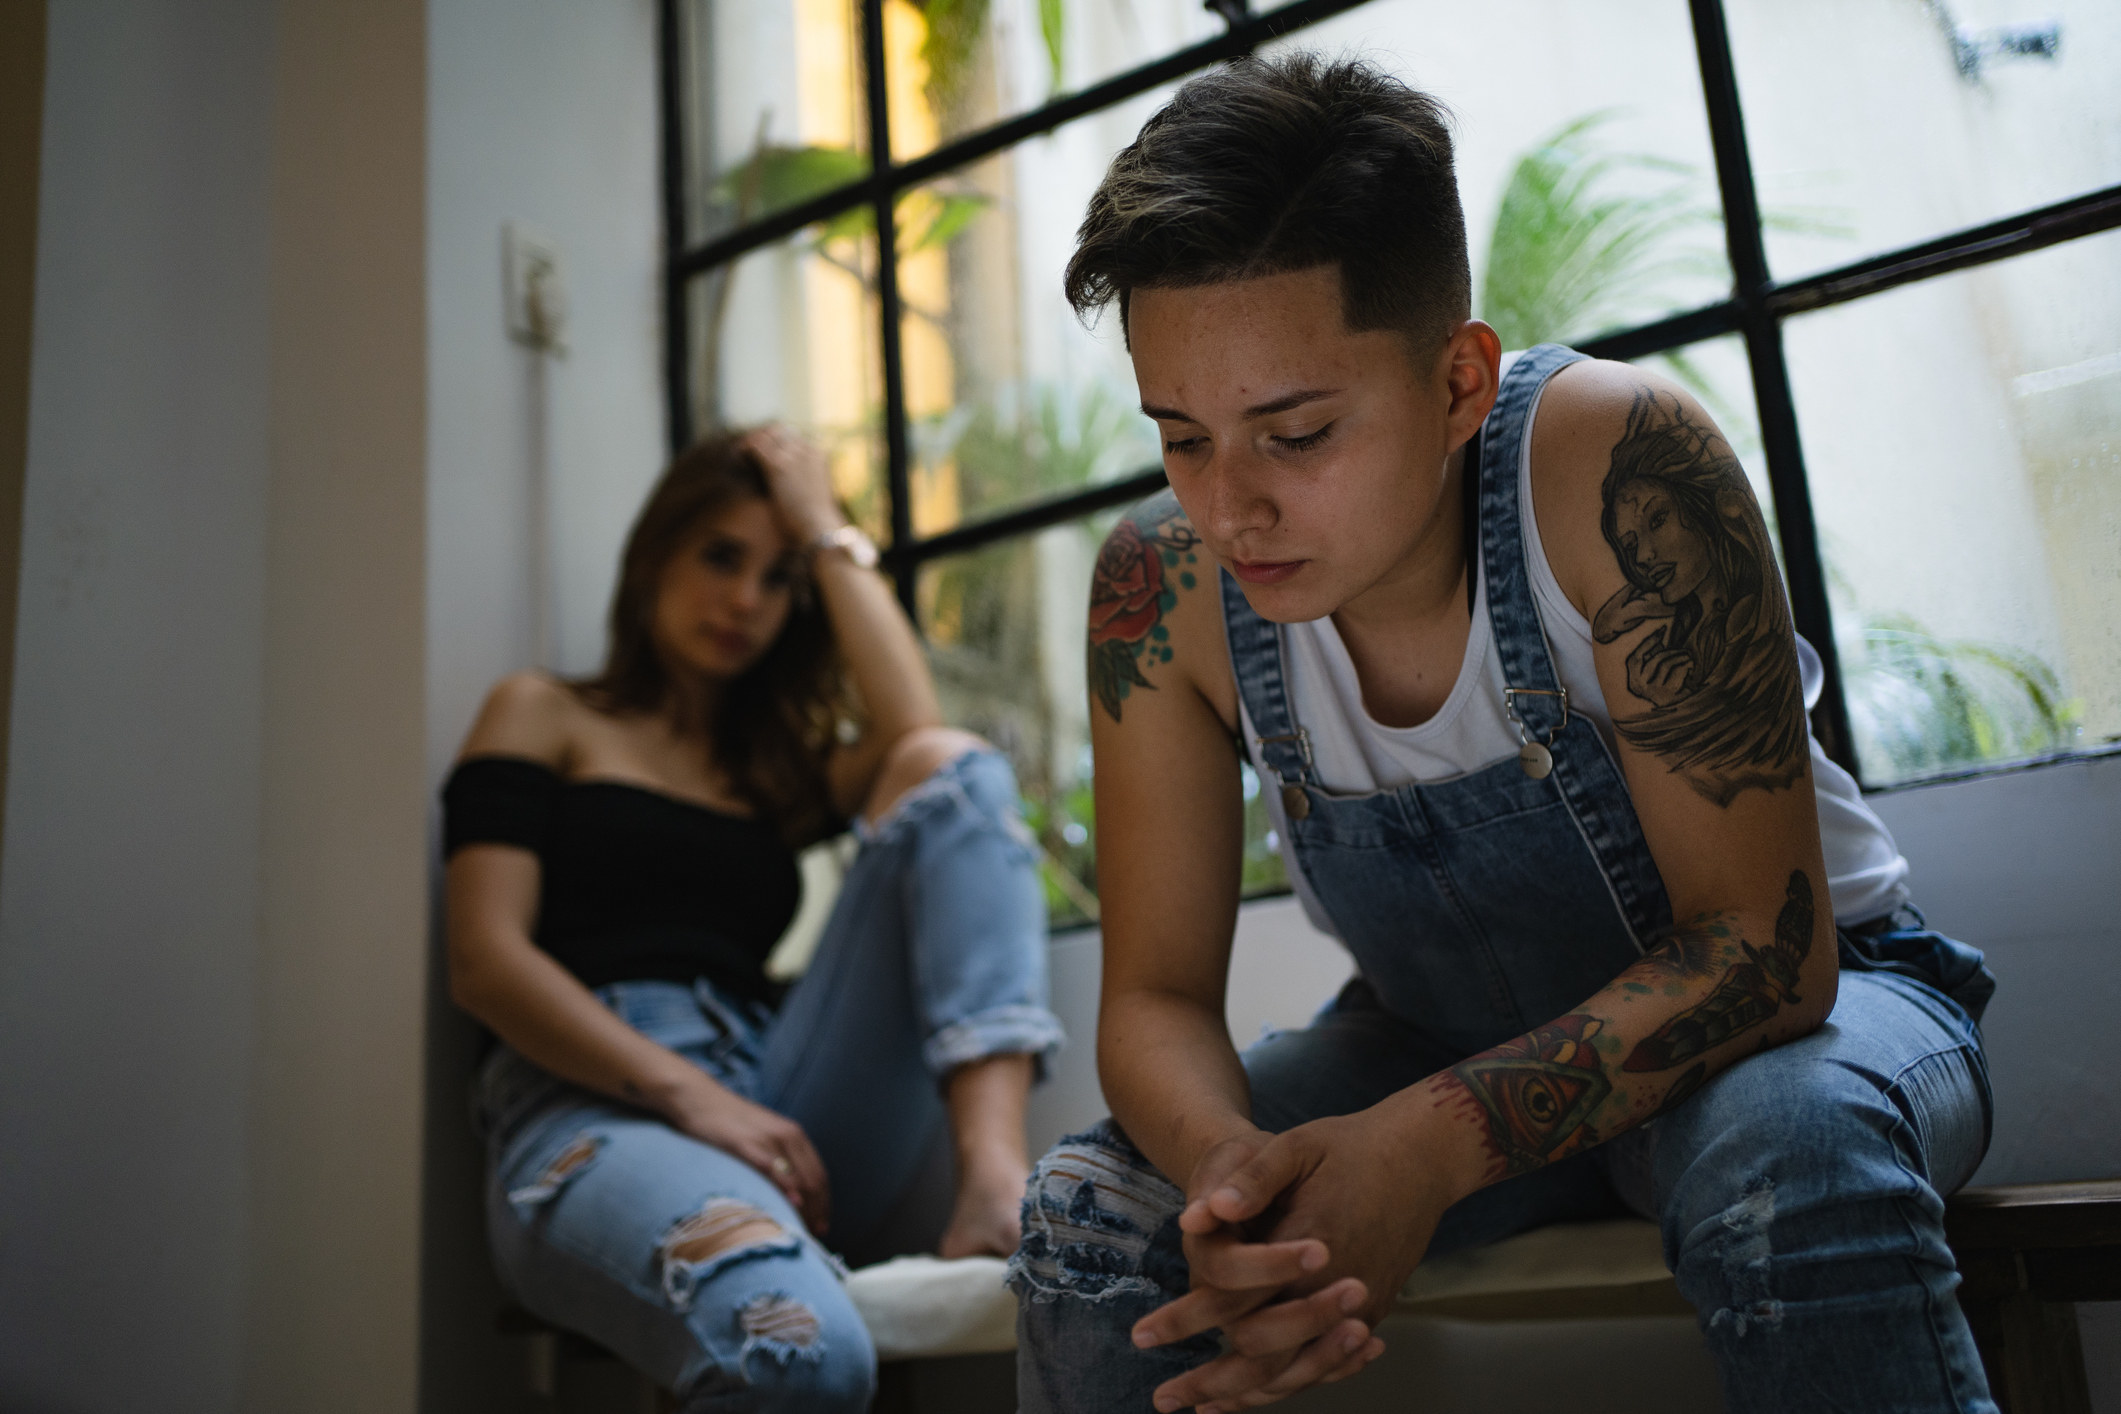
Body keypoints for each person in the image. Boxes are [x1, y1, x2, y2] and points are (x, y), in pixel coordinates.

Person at [1011, 53, 1997, 1414]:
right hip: (1425, 1036)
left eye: (1293, 433)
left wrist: (1418, 1150)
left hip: (1808, 1018)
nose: (1228, 507)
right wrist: (1238, 1176)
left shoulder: (1616, 467)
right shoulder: (1159, 592)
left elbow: (1769, 954)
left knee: (1786, 1158)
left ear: (1460, 384)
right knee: (1093, 1211)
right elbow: (1157, 1000)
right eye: (1181, 437)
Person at [444, 425, 1063, 1411]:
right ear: (656, 555)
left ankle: (994, 1181)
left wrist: (826, 528)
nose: (745, 600)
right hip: (591, 1108)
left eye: (779, 579)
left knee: (955, 768)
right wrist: (688, 1094)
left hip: (777, 1100)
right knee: (803, 1353)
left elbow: (916, 737)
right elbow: (483, 959)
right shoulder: (544, 713)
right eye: (721, 557)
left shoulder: (771, 774)